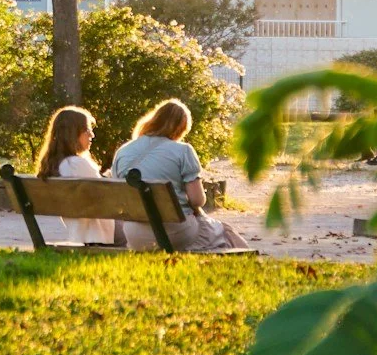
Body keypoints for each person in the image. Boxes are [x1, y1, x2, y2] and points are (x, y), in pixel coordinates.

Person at [108, 99, 247, 253]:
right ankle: (252, 264)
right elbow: (197, 200)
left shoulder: (123, 151)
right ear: (181, 129)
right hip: (176, 233)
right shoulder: (183, 150)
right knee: (224, 232)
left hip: (134, 234)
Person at [32, 105, 117, 246]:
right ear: (73, 134)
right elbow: (108, 195)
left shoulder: (55, 165)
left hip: (81, 233)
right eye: (87, 130)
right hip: (99, 234)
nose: (92, 135)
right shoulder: (76, 164)